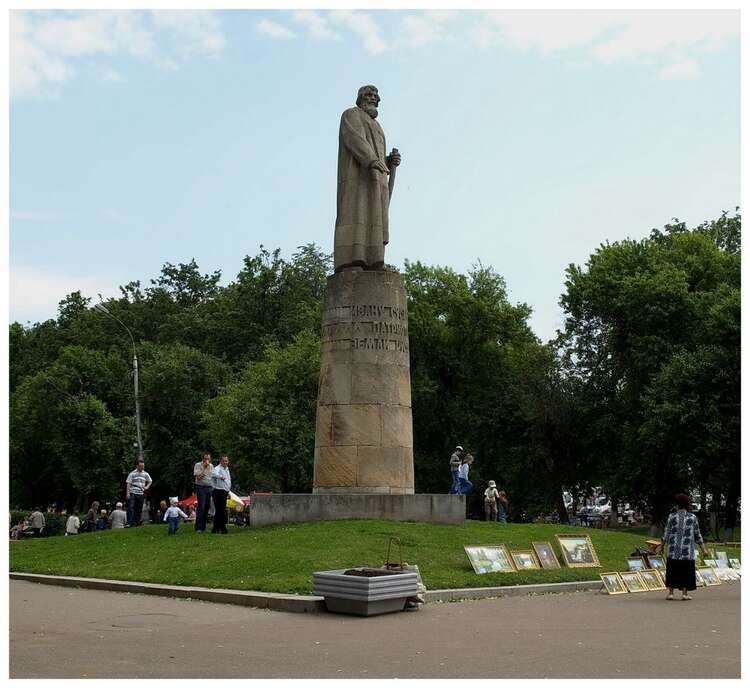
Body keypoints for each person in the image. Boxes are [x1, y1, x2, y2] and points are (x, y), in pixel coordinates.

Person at [334, 84, 402, 271]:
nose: (374, 98)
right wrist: (371, 160)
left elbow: (378, 156)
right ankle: (352, 261)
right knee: (357, 214)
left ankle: (375, 261)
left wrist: (388, 162)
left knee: (375, 220)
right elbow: (354, 138)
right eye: (369, 95)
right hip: (358, 178)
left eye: (376, 96)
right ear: (361, 98)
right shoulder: (351, 114)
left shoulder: (378, 127)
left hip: (377, 179)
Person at [659, 492, 708, 601]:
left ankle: (671, 593)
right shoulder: (693, 517)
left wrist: (662, 546)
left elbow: (666, 533)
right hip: (687, 551)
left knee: (672, 570)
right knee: (686, 571)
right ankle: (685, 594)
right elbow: (697, 534)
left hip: (673, 550)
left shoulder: (672, 516)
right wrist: (703, 549)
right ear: (687, 504)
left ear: (677, 504)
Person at [125, 459, 153, 527]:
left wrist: (147, 487)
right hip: (133, 492)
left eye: (143, 466)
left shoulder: (145, 474)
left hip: (141, 493)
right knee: (131, 507)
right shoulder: (132, 473)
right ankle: (129, 523)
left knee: (139, 509)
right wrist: (128, 493)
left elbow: (150, 481)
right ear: (137, 466)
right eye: (141, 466)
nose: (142, 467)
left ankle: (137, 523)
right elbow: (128, 483)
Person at [193, 452, 214, 533]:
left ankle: (203, 526)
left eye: (208, 458)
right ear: (203, 459)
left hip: (209, 487)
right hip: (201, 487)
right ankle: (198, 527)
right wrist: (204, 468)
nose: (207, 460)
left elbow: (212, 476)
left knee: (206, 507)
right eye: (205, 458)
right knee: (201, 506)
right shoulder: (198, 465)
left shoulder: (211, 466)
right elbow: (198, 478)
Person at [211, 454, 232, 534]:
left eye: (226, 460)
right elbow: (213, 474)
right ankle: (221, 528)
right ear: (220, 461)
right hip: (218, 491)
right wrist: (220, 477)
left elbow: (228, 480)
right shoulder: (217, 468)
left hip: (225, 491)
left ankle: (216, 528)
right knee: (220, 510)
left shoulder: (227, 469)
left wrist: (228, 490)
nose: (225, 462)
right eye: (223, 460)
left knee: (221, 510)